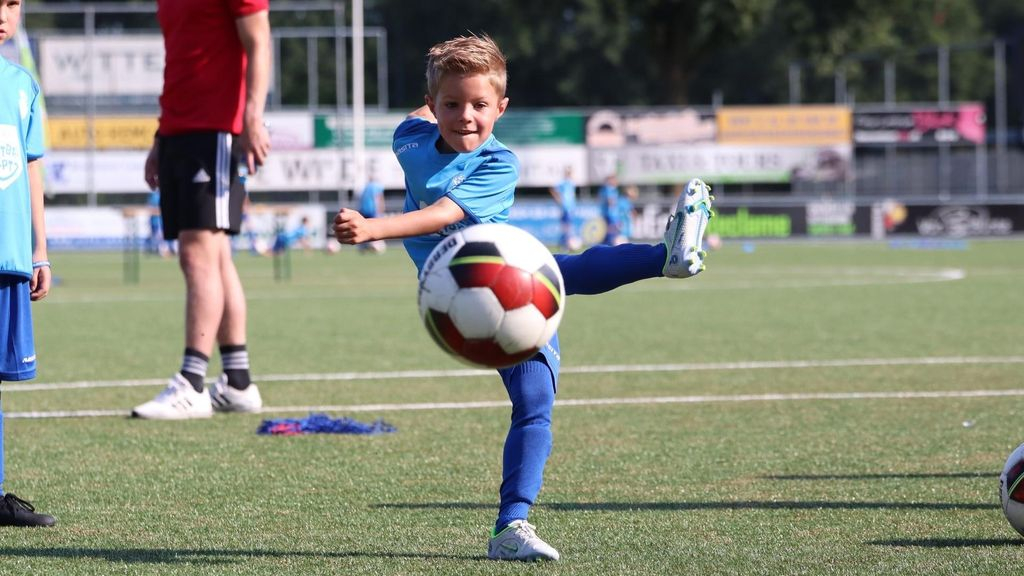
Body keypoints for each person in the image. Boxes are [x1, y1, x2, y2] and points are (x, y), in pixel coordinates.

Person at [333, 35, 713, 561]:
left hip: (501, 277)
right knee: (564, 271)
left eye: (480, 105)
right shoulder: (410, 139)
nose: (466, 116)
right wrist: (442, 62)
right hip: (457, 292)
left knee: (536, 398)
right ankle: (660, 258)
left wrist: (375, 228)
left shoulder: (498, 164)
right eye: (451, 104)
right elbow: (419, 109)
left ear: (502, 108)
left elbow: (444, 213)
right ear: (434, 103)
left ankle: (512, 525)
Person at [133, 0, 272, 419]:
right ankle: (237, 381)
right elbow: (183, 59)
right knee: (215, 256)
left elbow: (259, 41)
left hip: (215, 129)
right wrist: (162, 134)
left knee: (197, 253)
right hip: (180, 129)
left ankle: (192, 384)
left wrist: (252, 116)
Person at [0, 0, 56, 527]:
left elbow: (32, 170)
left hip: (11, 256)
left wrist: (39, 250)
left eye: (12, 3)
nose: (3, 13)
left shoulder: (20, 84)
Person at [548, 167, 580, 250]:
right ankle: (565, 244)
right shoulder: (562, 182)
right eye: (568, 173)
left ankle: (565, 243)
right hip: (565, 208)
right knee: (566, 226)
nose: (570, 174)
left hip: (571, 208)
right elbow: (553, 189)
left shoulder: (572, 183)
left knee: (568, 226)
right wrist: (558, 199)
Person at [356, 175, 387, 254]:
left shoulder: (366, 187)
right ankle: (377, 246)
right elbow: (378, 198)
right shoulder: (377, 186)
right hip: (373, 210)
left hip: (364, 210)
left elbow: (361, 199)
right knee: (377, 228)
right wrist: (381, 209)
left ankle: (362, 247)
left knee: (363, 228)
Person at [598, 173, 622, 245]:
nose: (616, 181)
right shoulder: (608, 189)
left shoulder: (612, 189)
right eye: (614, 180)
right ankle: (608, 245)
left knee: (612, 231)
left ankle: (607, 245)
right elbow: (610, 201)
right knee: (610, 231)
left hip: (612, 214)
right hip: (610, 214)